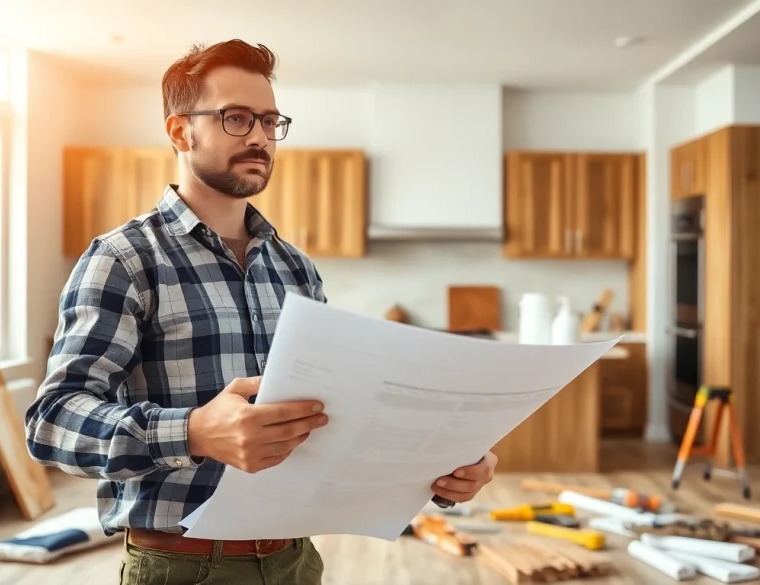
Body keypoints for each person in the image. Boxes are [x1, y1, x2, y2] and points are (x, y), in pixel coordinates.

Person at [26, 39, 498, 585]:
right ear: (181, 132)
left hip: (295, 560)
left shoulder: (295, 268)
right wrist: (195, 432)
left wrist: (440, 465)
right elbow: (52, 422)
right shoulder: (124, 258)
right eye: (236, 118)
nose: (258, 136)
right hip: (182, 565)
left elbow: (334, 421)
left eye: (270, 121)